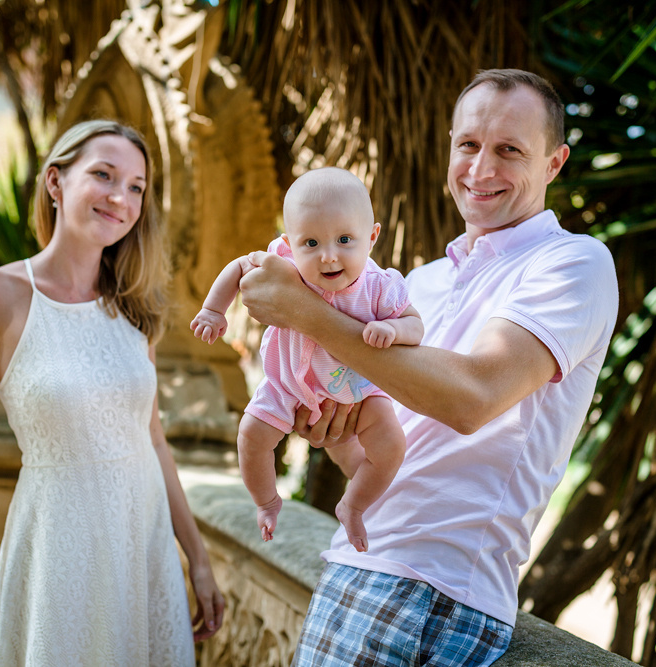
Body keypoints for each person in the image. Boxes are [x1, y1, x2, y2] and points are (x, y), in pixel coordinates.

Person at [239, 69, 619, 665]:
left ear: (554, 162)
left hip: (438, 587)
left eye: (509, 150)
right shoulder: (417, 284)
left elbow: (473, 398)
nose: (481, 168)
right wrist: (330, 428)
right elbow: (373, 455)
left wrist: (303, 312)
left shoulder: (575, 262)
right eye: (468, 145)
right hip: (355, 559)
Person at [0, 120, 224, 666]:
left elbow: (154, 441)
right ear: (56, 182)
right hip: (56, 547)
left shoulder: (136, 307)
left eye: (137, 186)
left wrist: (198, 559)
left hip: (143, 546)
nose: (121, 197)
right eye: (104, 175)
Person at [191, 167, 423, 553]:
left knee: (391, 446)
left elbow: (415, 324)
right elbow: (238, 266)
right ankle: (267, 502)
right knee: (251, 436)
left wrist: (396, 331)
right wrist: (214, 310)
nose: (329, 256)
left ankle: (353, 505)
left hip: (360, 389)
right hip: (288, 385)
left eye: (345, 240)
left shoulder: (381, 287)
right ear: (288, 244)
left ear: (372, 237)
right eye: (311, 243)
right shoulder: (283, 266)